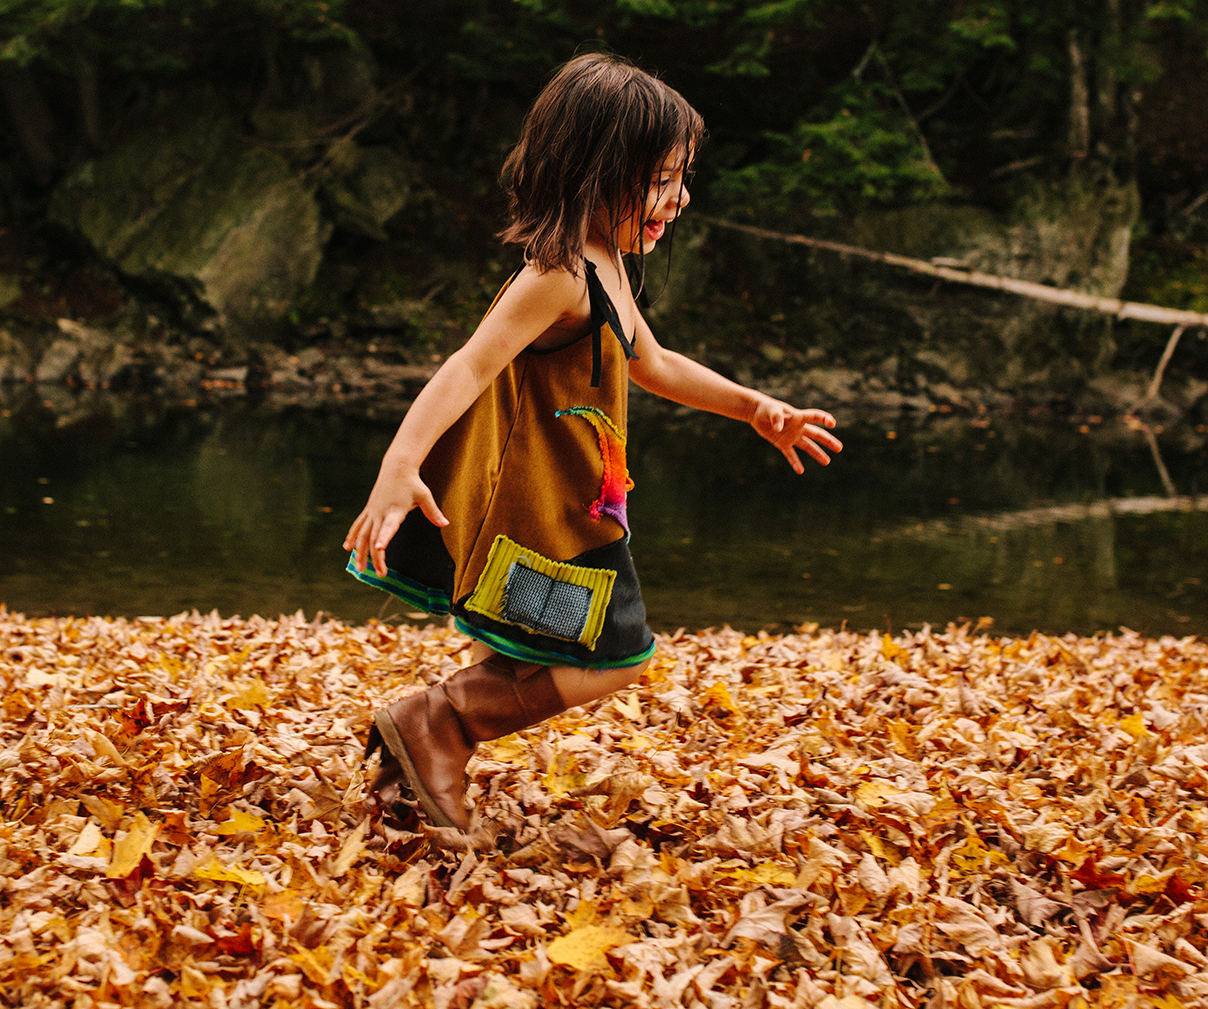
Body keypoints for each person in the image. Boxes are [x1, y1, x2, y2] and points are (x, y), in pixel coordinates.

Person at [343, 53, 842, 835]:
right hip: (541, 517)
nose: (678, 199)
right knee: (614, 652)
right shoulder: (557, 274)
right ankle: (438, 723)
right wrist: (398, 465)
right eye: (661, 180)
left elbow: (656, 362)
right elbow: (468, 363)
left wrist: (755, 409)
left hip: (577, 510)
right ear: (596, 170)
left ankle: (430, 741)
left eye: (683, 178)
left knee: (554, 645)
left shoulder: (606, 266)